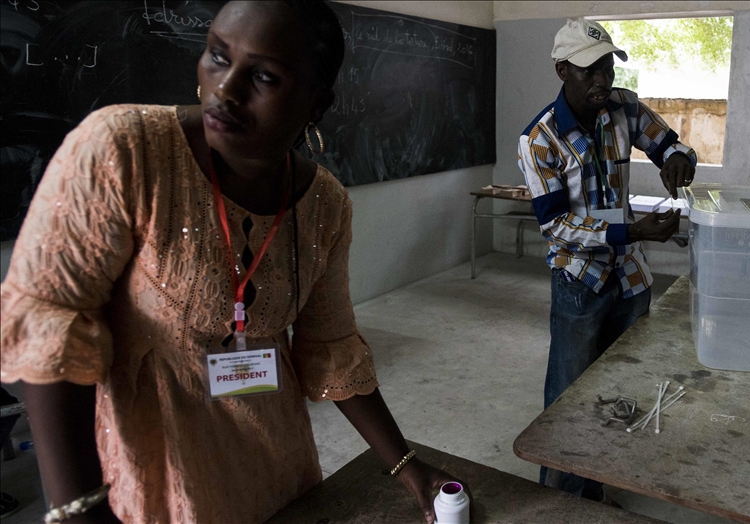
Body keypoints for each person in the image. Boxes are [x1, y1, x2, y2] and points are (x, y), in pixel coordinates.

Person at [0, 2, 462, 522]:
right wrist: (81, 508)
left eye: (264, 75)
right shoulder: (124, 149)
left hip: (275, 468)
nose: (227, 89)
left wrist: (405, 465)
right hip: (152, 476)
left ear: (316, 103)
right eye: (217, 57)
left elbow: (331, 346)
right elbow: (49, 322)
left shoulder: (324, 205)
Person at [517, 18, 697, 501]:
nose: (602, 81)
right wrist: (631, 230)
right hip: (579, 281)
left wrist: (679, 158)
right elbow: (555, 226)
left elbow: (669, 143)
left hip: (631, 277)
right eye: (588, 71)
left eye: (607, 68)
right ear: (562, 71)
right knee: (569, 396)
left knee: (620, 388)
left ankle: (601, 484)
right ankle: (560, 499)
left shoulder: (624, 107)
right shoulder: (540, 139)